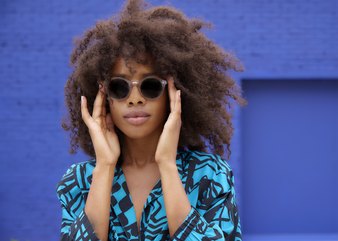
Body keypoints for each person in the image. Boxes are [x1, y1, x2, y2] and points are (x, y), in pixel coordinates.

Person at [56, 0, 246, 240]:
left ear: (175, 94)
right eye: (119, 87)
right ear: (104, 98)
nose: (135, 99)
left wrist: (166, 163)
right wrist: (105, 166)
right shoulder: (79, 181)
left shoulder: (210, 175)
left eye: (150, 85)